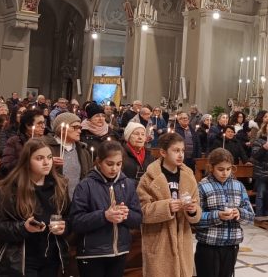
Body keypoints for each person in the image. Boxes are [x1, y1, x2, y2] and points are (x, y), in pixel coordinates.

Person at [0, 139, 71, 276]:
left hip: (51, 257)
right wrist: (23, 227)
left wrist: (65, 227)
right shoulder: (7, 191)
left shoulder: (60, 186)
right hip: (20, 260)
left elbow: (69, 217)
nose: (46, 162)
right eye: (39, 158)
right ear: (27, 161)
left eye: (49, 157)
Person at [69, 141, 143, 277]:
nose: (114, 169)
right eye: (109, 164)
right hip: (92, 254)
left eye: (119, 164)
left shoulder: (128, 184)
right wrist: (104, 216)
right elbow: (76, 222)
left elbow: (138, 218)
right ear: (98, 161)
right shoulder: (85, 185)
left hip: (120, 251)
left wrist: (127, 214)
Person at [137, 133, 201, 277]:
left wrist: (192, 210)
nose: (181, 155)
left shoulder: (189, 176)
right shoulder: (149, 178)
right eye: (176, 150)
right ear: (163, 152)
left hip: (182, 241)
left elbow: (197, 211)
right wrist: (166, 207)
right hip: (159, 241)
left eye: (183, 151)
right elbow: (142, 211)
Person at [194, 148, 255, 277]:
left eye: (228, 169)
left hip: (231, 245)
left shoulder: (238, 186)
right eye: (220, 169)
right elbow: (196, 219)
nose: (225, 173)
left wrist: (239, 213)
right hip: (209, 245)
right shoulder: (202, 186)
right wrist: (218, 216)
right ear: (211, 168)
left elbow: (251, 216)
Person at [43, 112, 93, 197]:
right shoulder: (45, 147)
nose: (80, 131)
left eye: (80, 127)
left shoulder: (83, 150)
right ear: (62, 129)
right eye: (75, 127)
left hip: (77, 201)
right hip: (54, 199)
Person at [0, 109, 46, 176]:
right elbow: (5, 168)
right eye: (39, 123)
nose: (43, 126)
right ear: (28, 125)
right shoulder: (14, 141)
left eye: (43, 123)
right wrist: (27, 159)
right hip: (20, 182)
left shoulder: (45, 142)